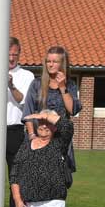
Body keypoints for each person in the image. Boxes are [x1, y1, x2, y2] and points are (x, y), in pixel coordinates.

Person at [23, 46, 81, 174]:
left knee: (58, 180)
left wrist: (62, 87)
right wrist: (32, 136)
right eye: (48, 61)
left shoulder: (69, 85)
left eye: (55, 62)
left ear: (62, 64)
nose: (51, 64)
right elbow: (28, 112)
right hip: (39, 138)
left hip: (60, 140)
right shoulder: (36, 84)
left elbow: (72, 110)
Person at [6, 37, 35, 207]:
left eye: (15, 54)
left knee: (15, 179)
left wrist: (10, 86)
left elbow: (24, 102)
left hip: (15, 131)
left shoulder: (27, 75)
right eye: (8, 55)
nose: (12, 58)